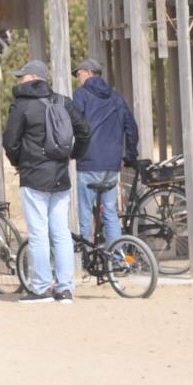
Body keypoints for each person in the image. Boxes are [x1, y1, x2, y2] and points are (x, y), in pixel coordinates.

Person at [2, 60, 90, 304]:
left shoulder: (22, 106)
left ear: (32, 78)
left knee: (39, 232)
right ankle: (65, 289)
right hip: (60, 175)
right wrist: (74, 155)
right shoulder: (63, 102)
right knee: (61, 232)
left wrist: (18, 162)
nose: (18, 80)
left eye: (21, 76)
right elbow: (84, 131)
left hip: (33, 176)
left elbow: (10, 141)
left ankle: (41, 287)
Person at [71, 59, 139, 245]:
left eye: (78, 74)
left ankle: (86, 259)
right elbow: (131, 127)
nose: (78, 78)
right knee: (109, 212)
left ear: (88, 73)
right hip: (111, 165)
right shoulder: (116, 97)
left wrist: (73, 152)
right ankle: (116, 259)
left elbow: (74, 126)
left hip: (88, 164)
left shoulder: (80, 95)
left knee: (85, 213)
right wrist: (130, 156)